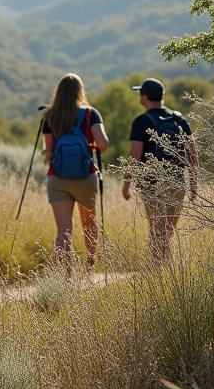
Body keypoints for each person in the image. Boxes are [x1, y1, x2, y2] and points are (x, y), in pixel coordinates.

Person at [121, 77, 198, 262]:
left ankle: (159, 272)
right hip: (177, 181)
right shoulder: (179, 119)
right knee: (167, 231)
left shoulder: (141, 121)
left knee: (157, 231)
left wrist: (126, 184)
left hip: (151, 184)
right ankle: (165, 269)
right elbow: (193, 155)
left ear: (144, 97)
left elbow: (134, 156)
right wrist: (194, 185)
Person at [42, 73, 109, 269]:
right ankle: (89, 266)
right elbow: (103, 144)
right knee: (89, 224)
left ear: (59, 92)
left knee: (63, 229)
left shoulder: (50, 116)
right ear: (80, 91)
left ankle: (65, 275)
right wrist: (89, 146)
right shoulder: (90, 114)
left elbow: (48, 154)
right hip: (85, 177)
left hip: (57, 178)